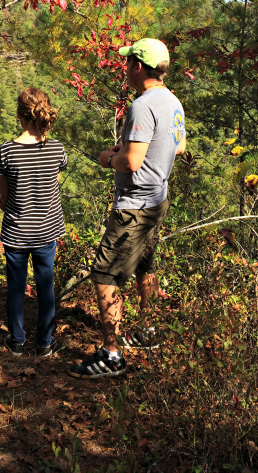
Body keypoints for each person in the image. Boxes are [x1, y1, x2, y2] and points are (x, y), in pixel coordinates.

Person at [68, 38, 186, 379]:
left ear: (138, 66)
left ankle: (112, 355)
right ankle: (147, 331)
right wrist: (141, 149)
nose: (125, 68)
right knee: (145, 265)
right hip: (157, 200)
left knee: (105, 275)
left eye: (128, 62)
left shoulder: (143, 106)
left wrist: (110, 158)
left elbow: (131, 163)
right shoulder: (172, 101)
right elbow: (178, 148)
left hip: (134, 206)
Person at [0, 87, 68, 357]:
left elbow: (4, 198)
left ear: (18, 115)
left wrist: (11, 204)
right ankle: (45, 343)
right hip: (47, 230)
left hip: (16, 232)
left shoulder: (6, 152)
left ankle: (16, 340)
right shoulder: (57, 149)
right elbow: (53, 185)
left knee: (16, 286)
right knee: (45, 285)